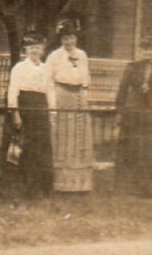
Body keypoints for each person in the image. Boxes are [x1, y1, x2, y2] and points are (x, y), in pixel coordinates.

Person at [115, 35, 152, 198]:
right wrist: (120, 110)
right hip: (134, 113)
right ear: (140, 51)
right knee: (132, 148)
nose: (149, 53)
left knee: (151, 150)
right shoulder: (131, 67)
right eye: (145, 49)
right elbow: (123, 89)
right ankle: (130, 187)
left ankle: (151, 188)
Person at [45, 19, 94, 192]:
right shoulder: (54, 56)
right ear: (60, 39)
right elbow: (49, 81)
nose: (69, 41)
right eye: (65, 38)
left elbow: (86, 78)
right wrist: (52, 105)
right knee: (64, 138)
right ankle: (61, 184)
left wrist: (85, 95)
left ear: (76, 38)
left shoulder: (82, 55)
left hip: (79, 98)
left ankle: (81, 184)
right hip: (62, 96)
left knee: (80, 138)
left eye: (72, 37)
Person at [7, 32, 55, 198]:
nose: (35, 50)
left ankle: (45, 188)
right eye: (31, 47)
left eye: (38, 47)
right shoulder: (19, 68)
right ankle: (28, 187)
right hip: (26, 107)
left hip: (41, 108)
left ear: (43, 50)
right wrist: (15, 114)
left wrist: (52, 112)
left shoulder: (46, 68)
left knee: (43, 147)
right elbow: (13, 91)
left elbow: (50, 91)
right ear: (26, 50)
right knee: (28, 147)